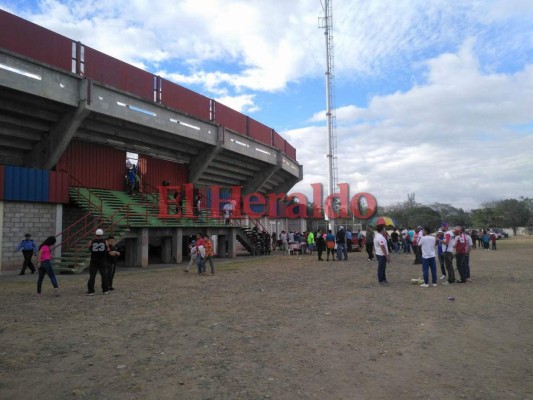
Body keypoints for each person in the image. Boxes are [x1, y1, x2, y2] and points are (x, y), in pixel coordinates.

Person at [86, 229, 110, 296]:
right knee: (104, 275)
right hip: (102, 261)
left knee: (92, 276)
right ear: (102, 234)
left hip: (94, 261)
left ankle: (91, 291)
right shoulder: (105, 242)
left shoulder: (91, 242)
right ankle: (105, 290)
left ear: (95, 234)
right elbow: (108, 249)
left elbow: (89, 249)